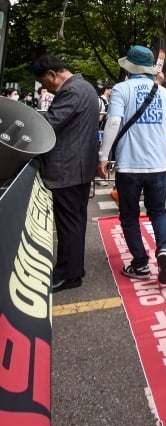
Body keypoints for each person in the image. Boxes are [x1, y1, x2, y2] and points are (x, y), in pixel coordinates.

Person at [96, 45, 166, 284]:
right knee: (158, 211)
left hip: (129, 164)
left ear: (129, 66)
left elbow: (113, 122)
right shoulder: (163, 93)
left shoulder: (121, 89)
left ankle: (140, 263)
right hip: (158, 165)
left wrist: (103, 156)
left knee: (129, 216)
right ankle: (164, 250)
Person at [31, 55, 100, 292]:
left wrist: (28, 119)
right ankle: (73, 269)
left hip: (68, 167)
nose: (45, 88)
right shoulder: (86, 87)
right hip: (79, 166)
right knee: (75, 221)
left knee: (69, 223)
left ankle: (68, 274)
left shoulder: (72, 91)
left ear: (52, 74)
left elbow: (50, 123)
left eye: (45, 83)